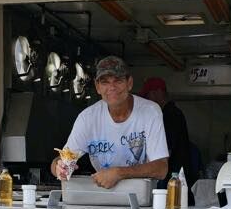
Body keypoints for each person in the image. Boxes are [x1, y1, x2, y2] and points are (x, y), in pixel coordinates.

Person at [50, 56, 168, 188]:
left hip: (141, 199)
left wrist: (119, 173)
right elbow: (63, 161)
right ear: (97, 87)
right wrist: (59, 168)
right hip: (102, 198)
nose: (112, 87)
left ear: (130, 83)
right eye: (105, 82)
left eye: (118, 80)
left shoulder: (150, 111)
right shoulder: (87, 118)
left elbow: (161, 168)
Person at [139, 77, 199, 196]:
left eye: (147, 96)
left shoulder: (169, 115)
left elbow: (166, 150)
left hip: (173, 178)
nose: (147, 101)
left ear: (157, 93)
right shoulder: (172, 113)